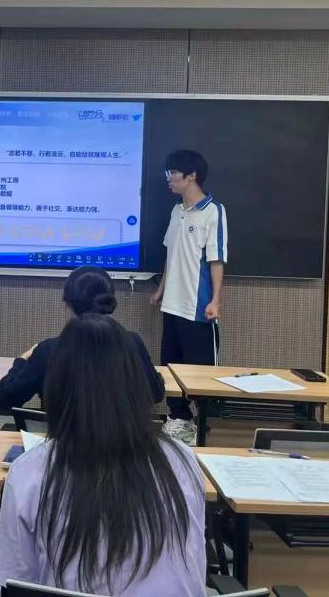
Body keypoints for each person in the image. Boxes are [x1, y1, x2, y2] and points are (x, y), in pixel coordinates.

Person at [0, 313, 206, 597]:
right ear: (137, 383)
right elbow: (195, 569)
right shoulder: (183, 462)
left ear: (57, 388)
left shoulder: (29, 473)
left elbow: (16, 586)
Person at [0, 266, 164, 410]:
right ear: (109, 299)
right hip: (123, 438)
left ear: (68, 303)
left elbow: (7, 399)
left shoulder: (48, 350)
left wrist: (21, 361)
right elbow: (156, 394)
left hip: (63, 439)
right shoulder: (132, 343)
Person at [150, 149, 228, 446]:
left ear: (191, 176)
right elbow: (171, 254)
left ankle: (202, 424)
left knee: (200, 373)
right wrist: (161, 289)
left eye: (173, 173)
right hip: (172, 304)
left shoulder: (213, 211)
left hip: (197, 306)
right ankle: (179, 420)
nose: (168, 178)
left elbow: (216, 260)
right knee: (170, 367)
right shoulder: (176, 211)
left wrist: (216, 300)